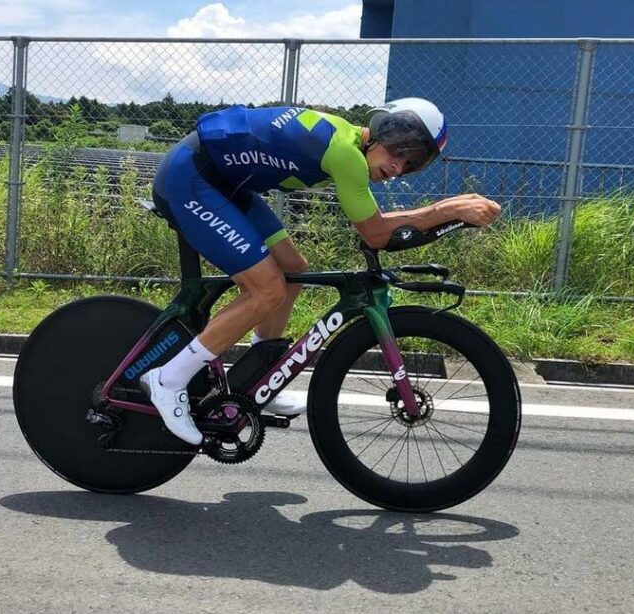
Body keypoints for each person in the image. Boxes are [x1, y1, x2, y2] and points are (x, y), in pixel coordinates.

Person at [143, 97, 501, 445]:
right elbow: (376, 234)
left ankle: (259, 373)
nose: (397, 168)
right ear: (383, 132)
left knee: (293, 269)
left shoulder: (348, 140)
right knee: (266, 289)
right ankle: (168, 380)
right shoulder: (346, 154)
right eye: (399, 152)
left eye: (411, 164)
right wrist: (446, 210)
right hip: (193, 178)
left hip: (224, 183)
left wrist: (446, 211)